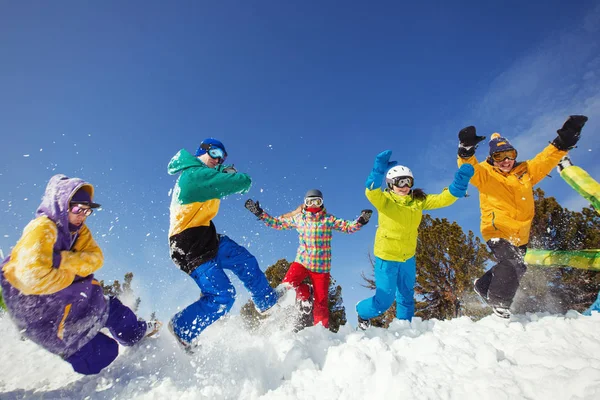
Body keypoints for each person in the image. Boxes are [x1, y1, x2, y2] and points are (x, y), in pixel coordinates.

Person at [0, 175, 160, 375]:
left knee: (113, 309)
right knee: (104, 353)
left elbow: (95, 258)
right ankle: (78, 355)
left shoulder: (78, 232)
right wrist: (75, 278)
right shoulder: (42, 228)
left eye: (87, 210)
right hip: (44, 317)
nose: (83, 215)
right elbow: (31, 277)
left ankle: (136, 333)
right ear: (61, 205)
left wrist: (62, 261)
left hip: (72, 302)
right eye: (77, 209)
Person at [458, 115, 588, 318]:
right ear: (492, 158)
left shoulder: (525, 171)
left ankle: (483, 285)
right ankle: (500, 302)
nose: (506, 161)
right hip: (496, 228)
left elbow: (545, 159)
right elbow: (468, 168)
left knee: (519, 267)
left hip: (521, 233)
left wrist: (563, 142)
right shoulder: (485, 174)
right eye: (500, 157)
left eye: (509, 155)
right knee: (513, 262)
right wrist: (466, 149)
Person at [167, 138, 289, 352]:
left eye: (222, 156)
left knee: (245, 260)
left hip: (206, 236)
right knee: (223, 297)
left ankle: (266, 302)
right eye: (215, 153)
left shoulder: (207, 172)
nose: (218, 159)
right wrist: (237, 176)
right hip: (187, 246)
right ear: (202, 151)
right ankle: (181, 328)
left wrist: (224, 170)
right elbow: (240, 182)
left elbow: (222, 175)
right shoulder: (193, 176)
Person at [355, 151, 474, 329]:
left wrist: (458, 186)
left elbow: (442, 199)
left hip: (408, 256)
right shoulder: (385, 201)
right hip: (387, 257)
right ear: (390, 185)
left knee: (406, 296)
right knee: (384, 301)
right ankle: (363, 312)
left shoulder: (417, 201)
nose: (404, 186)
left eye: (408, 182)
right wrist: (378, 170)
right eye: (399, 182)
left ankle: (405, 330)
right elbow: (371, 191)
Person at [245, 190, 372, 329]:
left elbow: (347, 227)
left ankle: (321, 331)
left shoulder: (328, 219)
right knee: (286, 286)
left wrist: (360, 221)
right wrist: (260, 214)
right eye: (309, 201)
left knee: (321, 302)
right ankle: (297, 298)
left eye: (317, 201)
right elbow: (277, 223)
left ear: (321, 203)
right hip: (302, 262)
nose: (313, 205)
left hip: (321, 267)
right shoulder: (299, 219)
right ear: (304, 203)